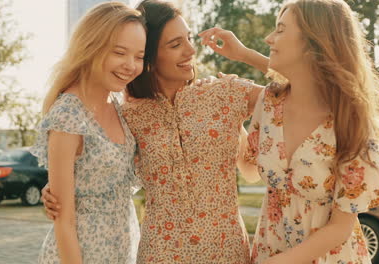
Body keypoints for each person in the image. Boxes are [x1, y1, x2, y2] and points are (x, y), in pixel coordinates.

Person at [42, 0, 271, 263]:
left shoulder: (225, 94)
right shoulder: (128, 113)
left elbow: (306, 93)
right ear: (150, 58)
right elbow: (97, 163)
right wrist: (57, 190)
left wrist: (245, 55)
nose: (191, 50)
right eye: (175, 44)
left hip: (226, 251)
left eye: (188, 39)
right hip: (159, 254)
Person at [200, 0, 379, 263]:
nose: (269, 38)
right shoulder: (270, 103)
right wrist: (233, 123)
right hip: (270, 249)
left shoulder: (351, 120)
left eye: (280, 30)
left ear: (315, 41)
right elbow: (250, 170)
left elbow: (341, 226)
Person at [30, 2, 146, 263]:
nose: (130, 65)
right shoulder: (68, 114)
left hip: (122, 250)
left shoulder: (118, 106)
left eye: (139, 56)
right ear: (91, 46)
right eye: (119, 52)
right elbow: (64, 221)